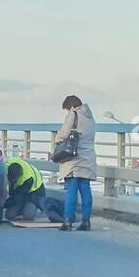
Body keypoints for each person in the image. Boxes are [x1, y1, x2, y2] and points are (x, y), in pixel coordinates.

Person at [54, 94, 97, 231]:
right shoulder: (91, 118)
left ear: (71, 106)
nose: (67, 112)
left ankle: (68, 222)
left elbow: (64, 134)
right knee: (85, 189)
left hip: (74, 157)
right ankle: (86, 221)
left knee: (71, 189)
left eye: (67, 109)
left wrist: (57, 139)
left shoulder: (73, 115)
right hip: (88, 157)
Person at [4, 155, 57, 222]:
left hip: (35, 192)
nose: (12, 181)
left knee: (28, 216)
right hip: (20, 192)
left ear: (19, 176)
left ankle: (29, 206)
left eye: (14, 179)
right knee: (9, 216)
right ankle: (20, 209)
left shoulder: (27, 179)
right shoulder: (6, 166)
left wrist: (5, 204)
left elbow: (18, 198)